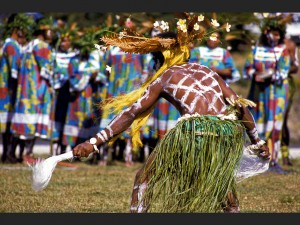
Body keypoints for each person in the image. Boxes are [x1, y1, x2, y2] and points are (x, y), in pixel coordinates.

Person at [73, 14, 270, 213]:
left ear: (160, 58)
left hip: (196, 131)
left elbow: (130, 113)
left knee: (143, 178)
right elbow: (240, 106)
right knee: (221, 185)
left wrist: (93, 143)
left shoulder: (165, 76)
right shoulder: (208, 71)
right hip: (227, 133)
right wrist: (258, 142)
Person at [243, 17, 291, 173]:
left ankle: (274, 161)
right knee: (257, 125)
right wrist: (255, 74)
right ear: (266, 32)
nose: (275, 37)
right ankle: (258, 162)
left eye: (278, 35)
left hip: (276, 93)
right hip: (259, 93)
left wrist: (270, 75)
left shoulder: (283, 50)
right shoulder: (257, 48)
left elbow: (284, 71)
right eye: (273, 34)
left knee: (275, 126)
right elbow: (247, 68)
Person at [10, 16, 54, 163]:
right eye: (49, 30)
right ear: (42, 30)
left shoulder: (27, 45)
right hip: (37, 91)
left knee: (25, 125)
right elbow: (47, 70)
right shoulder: (41, 46)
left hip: (24, 91)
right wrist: (53, 85)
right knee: (33, 124)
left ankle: (18, 154)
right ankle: (27, 154)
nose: (51, 33)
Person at [0, 13, 34, 163]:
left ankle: (9, 154)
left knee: (10, 123)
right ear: (15, 29)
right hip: (8, 89)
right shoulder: (11, 45)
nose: (24, 32)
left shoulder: (14, 45)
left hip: (10, 89)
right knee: (7, 123)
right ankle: (7, 154)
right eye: (22, 29)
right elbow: (15, 70)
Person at [280, 35, 299, 166]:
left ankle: (285, 156)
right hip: (264, 85)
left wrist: (281, 71)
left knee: (282, 120)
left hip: (284, 84)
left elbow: (295, 67)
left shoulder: (289, 44)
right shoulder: (262, 44)